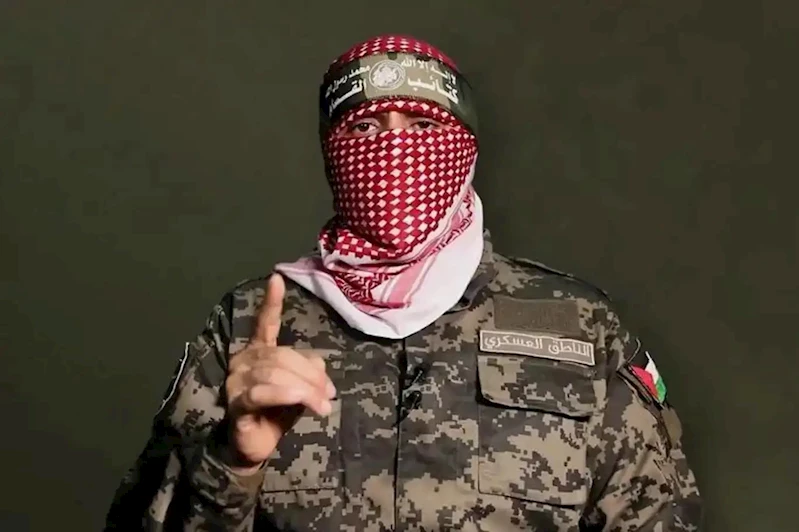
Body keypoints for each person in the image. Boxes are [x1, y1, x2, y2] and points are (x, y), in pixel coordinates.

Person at [105, 35, 702, 531]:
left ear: (465, 147)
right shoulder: (249, 325)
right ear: (331, 154)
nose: (394, 147)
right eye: (365, 127)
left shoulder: (578, 323)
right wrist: (232, 465)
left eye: (422, 123)